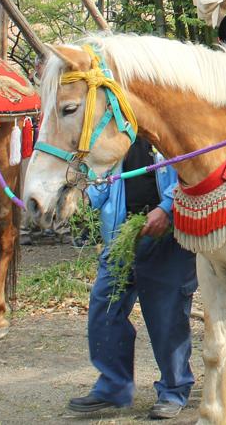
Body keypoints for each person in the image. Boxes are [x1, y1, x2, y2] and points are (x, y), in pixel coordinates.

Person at [67, 135, 196, 420]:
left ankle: (174, 390)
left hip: (167, 235)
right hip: (121, 234)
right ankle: (114, 387)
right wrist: (82, 198)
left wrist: (166, 208)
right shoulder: (113, 134)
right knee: (104, 306)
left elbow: (193, 172)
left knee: (167, 315)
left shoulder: (168, 125)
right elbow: (101, 181)